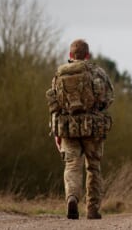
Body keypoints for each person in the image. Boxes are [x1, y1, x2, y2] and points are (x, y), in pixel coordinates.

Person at [46, 39, 114, 219]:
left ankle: (72, 198)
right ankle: (92, 209)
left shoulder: (58, 75)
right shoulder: (97, 72)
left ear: (70, 55)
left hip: (68, 129)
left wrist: (56, 132)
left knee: (72, 165)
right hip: (92, 129)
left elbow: (54, 106)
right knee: (93, 168)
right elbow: (108, 99)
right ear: (87, 55)